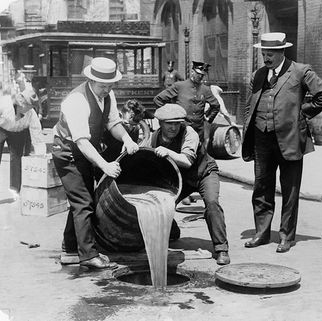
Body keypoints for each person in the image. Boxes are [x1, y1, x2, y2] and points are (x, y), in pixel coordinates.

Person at [242, 32, 322, 253]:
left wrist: (302, 114)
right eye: (264, 53)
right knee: (261, 186)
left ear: (282, 51)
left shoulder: (301, 71)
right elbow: (250, 105)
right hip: (262, 138)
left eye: (270, 53)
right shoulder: (259, 74)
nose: (266, 57)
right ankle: (261, 233)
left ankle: (286, 236)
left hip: (290, 138)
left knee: (290, 189)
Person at [52, 57, 139, 269]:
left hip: (83, 150)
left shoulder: (108, 95)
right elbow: (81, 142)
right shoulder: (77, 101)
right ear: (91, 80)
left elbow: (113, 123)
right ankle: (88, 255)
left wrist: (127, 138)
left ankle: (70, 249)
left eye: (110, 86)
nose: (106, 90)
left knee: (83, 199)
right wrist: (105, 165)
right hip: (67, 151)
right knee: (83, 202)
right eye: (102, 86)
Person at [148, 103, 230, 265]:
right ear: (160, 123)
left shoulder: (189, 133)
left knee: (212, 204)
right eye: (169, 123)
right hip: (183, 178)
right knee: (162, 202)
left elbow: (186, 160)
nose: (173, 127)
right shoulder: (155, 137)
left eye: (177, 123)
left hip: (204, 173)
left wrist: (168, 152)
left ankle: (221, 248)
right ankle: (172, 231)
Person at [154, 60, 221, 144]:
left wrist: (209, 119)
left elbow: (216, 105)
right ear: (192, 72)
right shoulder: (179, 86)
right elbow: (158, 99)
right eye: (198, 74)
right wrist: (169, 116)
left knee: (198, 153)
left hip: (198, 130)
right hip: (181, 130)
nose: (200, 77)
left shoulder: (205, 89)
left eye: (202, 75)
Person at [0, 82, 43, 196]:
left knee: (16, 158)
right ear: (20, 102)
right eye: (25, 105)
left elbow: (36, 134)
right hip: (1, 128)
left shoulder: (31, 114)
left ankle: (15, 190)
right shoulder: (4, 103)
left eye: (30, 107)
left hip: (18, 132)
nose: (27, 108)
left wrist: (41, 155)